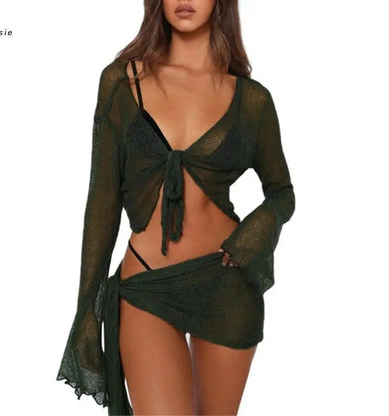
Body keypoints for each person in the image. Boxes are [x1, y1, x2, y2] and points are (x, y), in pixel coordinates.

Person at [56, 1, 296, 415]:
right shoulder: (121, 81)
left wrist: (264, 222)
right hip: (146, 283)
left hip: (226, 280)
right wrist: (85, 311)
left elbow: (282, 191)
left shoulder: (252, 99)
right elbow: (102, 201)